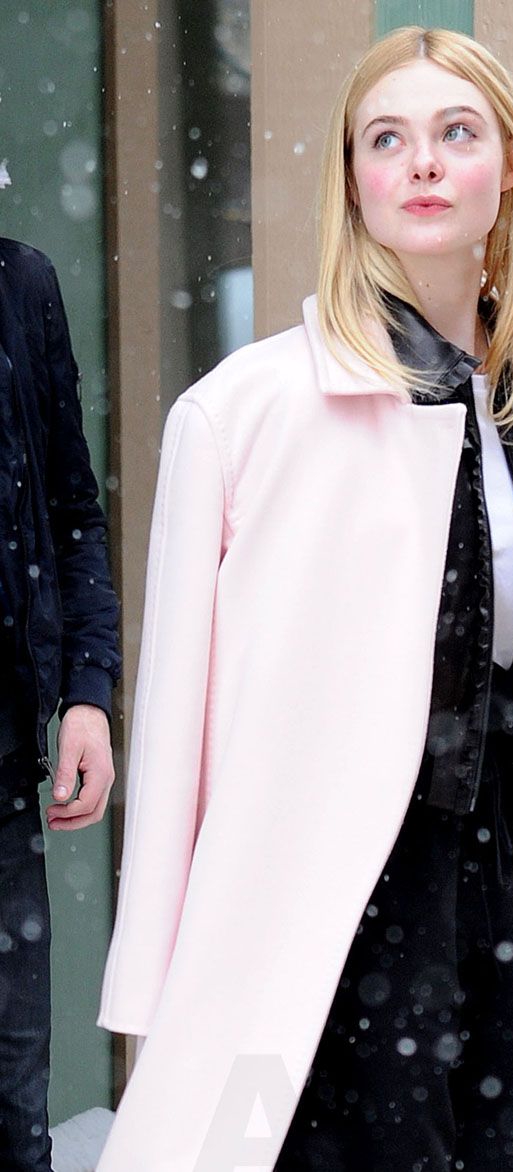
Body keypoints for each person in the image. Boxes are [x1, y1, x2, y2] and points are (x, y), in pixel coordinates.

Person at [96, 26, 513, 1172]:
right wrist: (158, 963)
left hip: (505, 886)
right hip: (335, 909)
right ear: (352, 178)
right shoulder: (246, 413)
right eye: (386, 139)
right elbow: (179, 720)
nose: (423, 163)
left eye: (456, 133)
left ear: (510, 164)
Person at [0, 219, 121, 1168]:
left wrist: (88, 692)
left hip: (4, 767)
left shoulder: (20, 284)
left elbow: (73, 511)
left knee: (14, 1095)